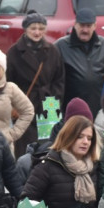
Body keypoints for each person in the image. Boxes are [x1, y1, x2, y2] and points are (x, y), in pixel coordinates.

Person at [22, 115, 100, 208]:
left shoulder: (92, 168)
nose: (85, 142)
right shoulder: (48, 165)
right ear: (68, 136)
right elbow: (28, 200)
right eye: (80, 137)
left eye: (89, 138)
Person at [7, 12, 66, 155]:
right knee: (25, 147)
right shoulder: (14, 52)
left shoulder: (52, 51)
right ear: (25, 29)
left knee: (48, 144)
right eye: (33, 28)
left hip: (48, 105)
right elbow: (8, 81)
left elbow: (59, 79)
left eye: (41, 28)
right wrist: (15, 103)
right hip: (24, 105)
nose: (37, 32)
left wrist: (54, 99)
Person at [55, 8, 104, 115]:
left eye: (89, 26)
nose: (85, 30)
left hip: (99, 108)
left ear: (95, 26)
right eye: (82, 25)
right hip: (70, 109)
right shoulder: (60, 46)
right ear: (75, 25)